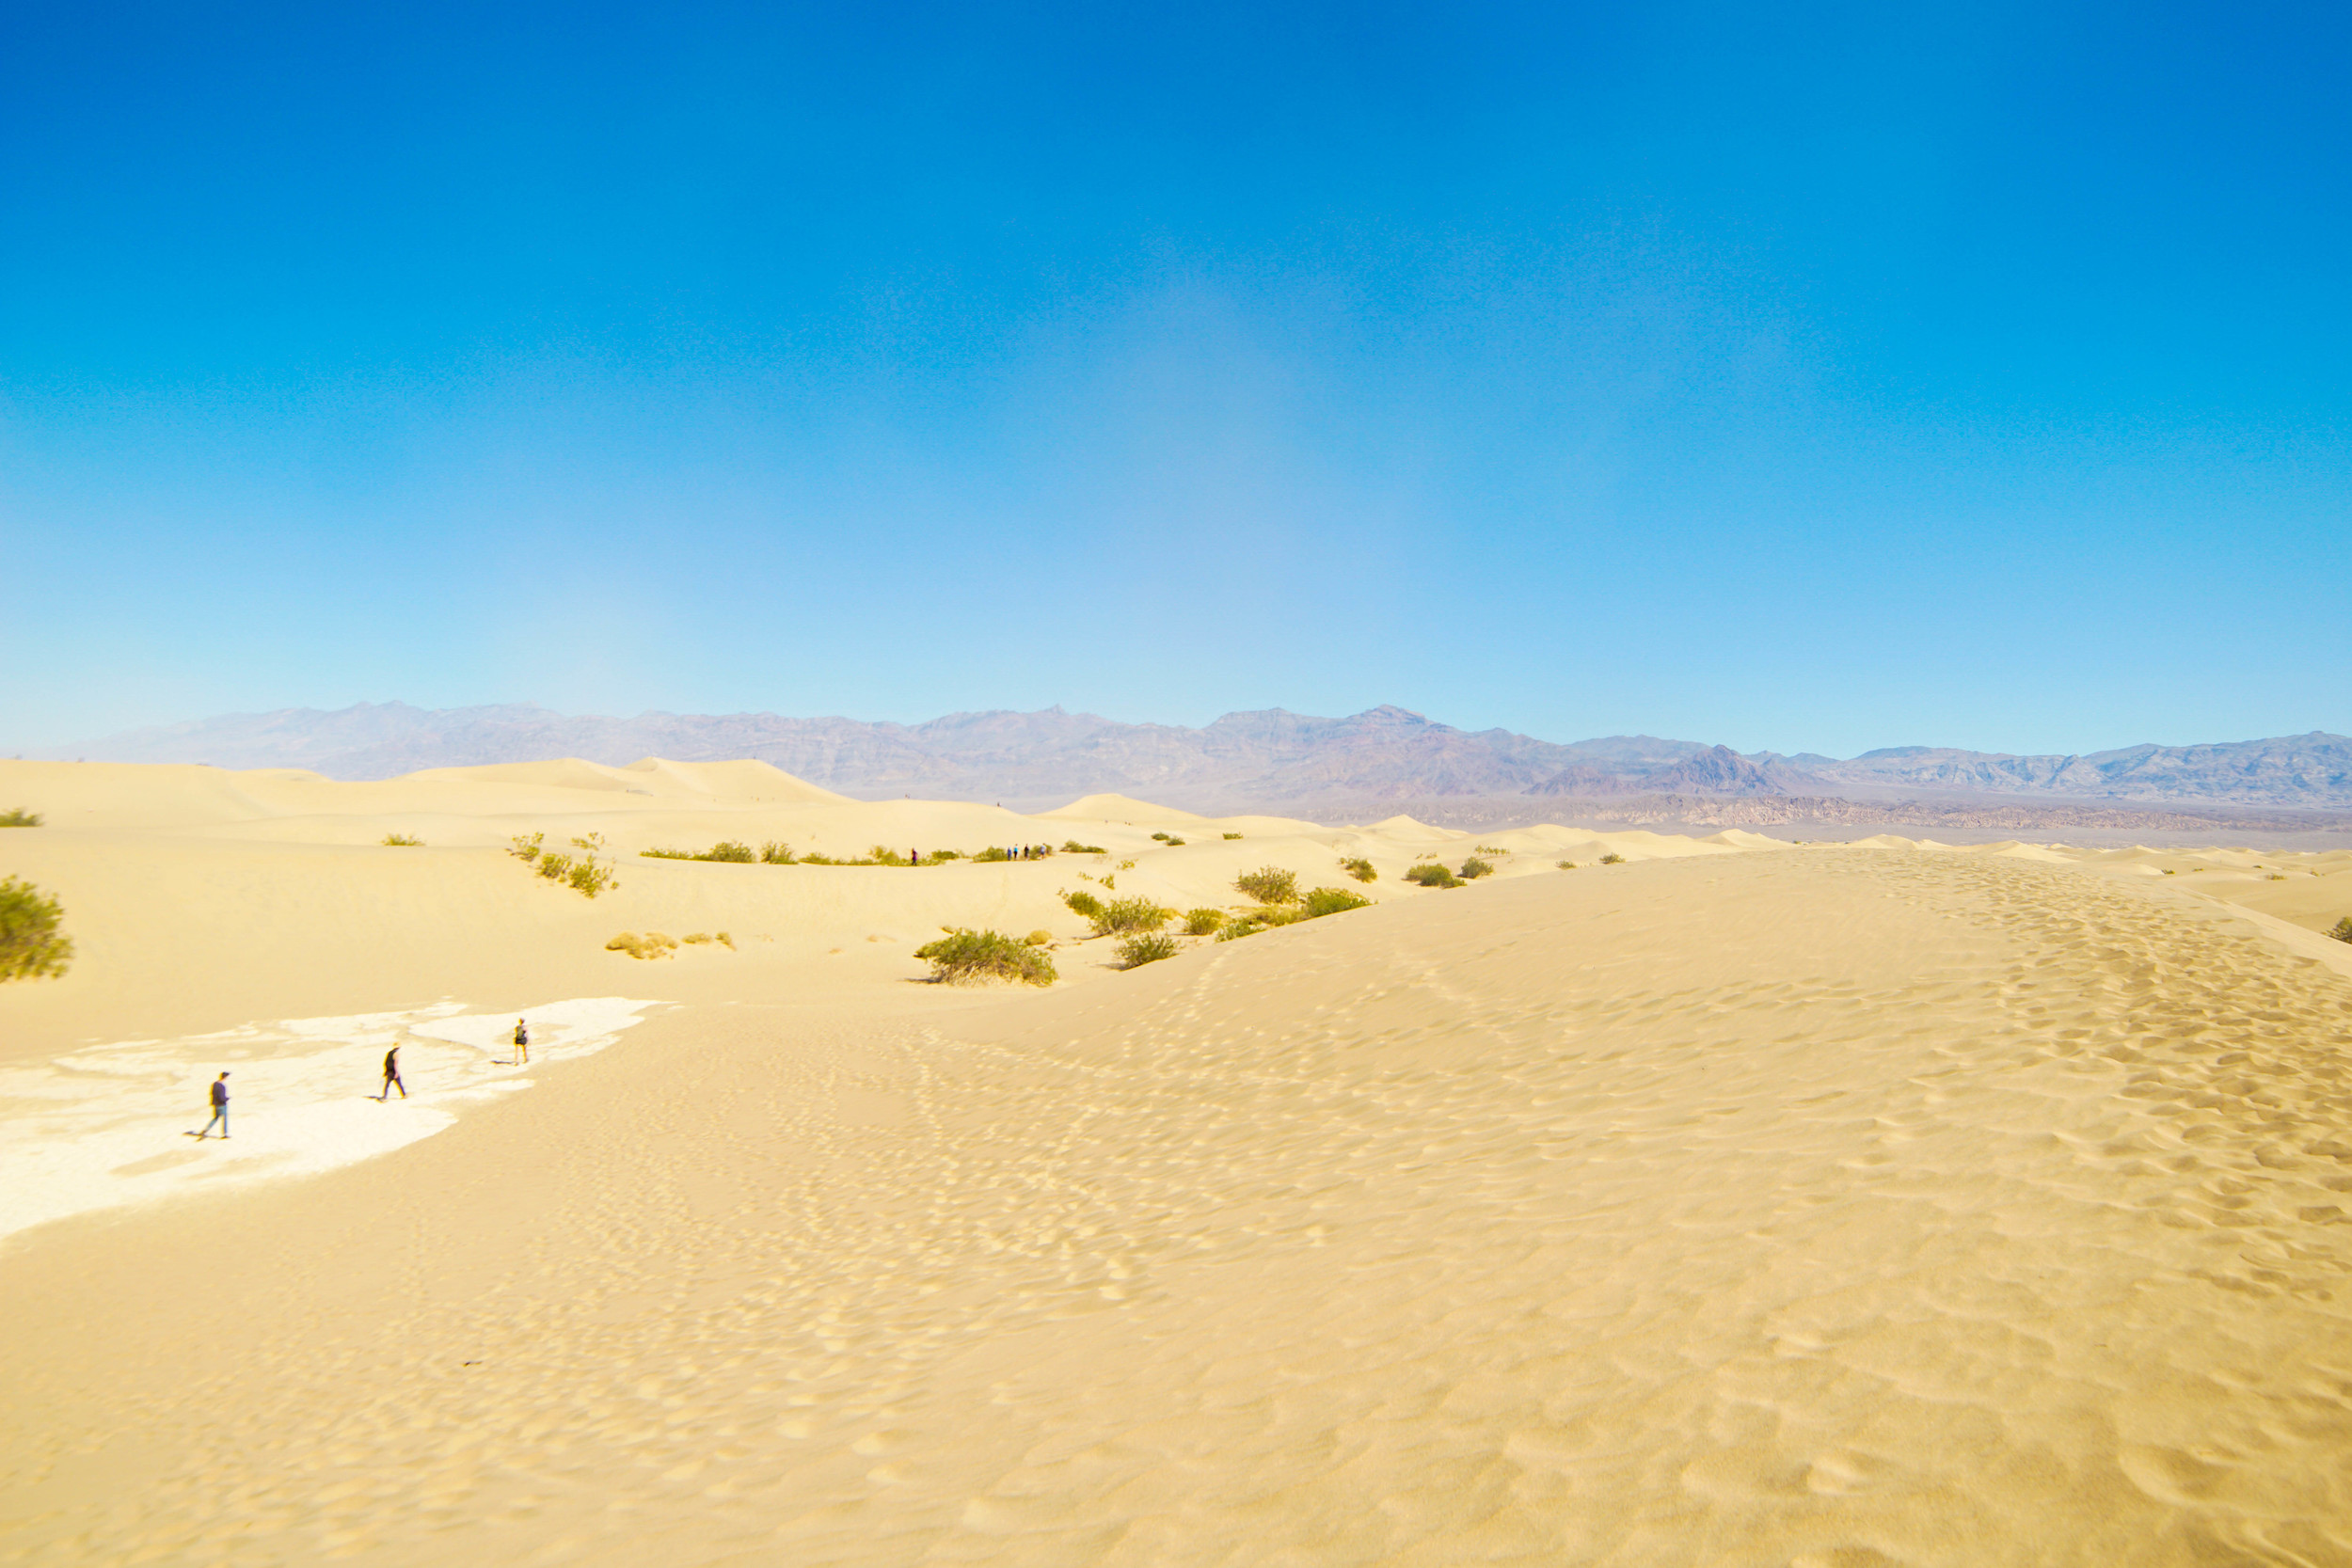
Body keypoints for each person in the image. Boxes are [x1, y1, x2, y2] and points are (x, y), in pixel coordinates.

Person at [196, 1071, 230, 1138]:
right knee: (224, 1119)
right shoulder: (222, 1086)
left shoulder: (214, 1084)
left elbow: (212, 1094)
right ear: (225, 1077)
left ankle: (205, 1130)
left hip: (215, 1104)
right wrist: (227, 1098)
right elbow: (222, 1097)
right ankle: (225, 1134)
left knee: (215, 1118)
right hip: (222, 1104)